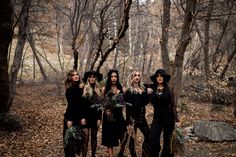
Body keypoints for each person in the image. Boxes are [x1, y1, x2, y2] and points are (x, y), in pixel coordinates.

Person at [149, 69, 179, 157]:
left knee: (168, 141)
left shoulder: (169, 90)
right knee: (152, 138)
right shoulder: (152, 89)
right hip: (157, 119)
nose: (159, 78)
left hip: (168, 118)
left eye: (161, 76)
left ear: (164, 77)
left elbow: (173, 105)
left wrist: (177, 119)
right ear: (155, 78)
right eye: (157, 76)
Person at [101, 69, 128, 157]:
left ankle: (121, 153)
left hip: (119, 116)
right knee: (109, 140)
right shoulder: (105, 89)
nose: (113, 78)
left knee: (124, 136)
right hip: (109, 117)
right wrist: (106, 110)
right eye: (112, 76)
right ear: (109, 78)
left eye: (115, 76)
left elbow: (125, 103)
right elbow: (102, 103)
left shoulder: (122, 89)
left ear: (117, 77)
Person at [125, 70, 151, 157]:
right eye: (135, 75)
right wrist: (128, 122)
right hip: (132, 119)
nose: (137, 77)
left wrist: (147, 91)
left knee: (148, 135)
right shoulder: (129, 90)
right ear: (132, 77)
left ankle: (144, 154)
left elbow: (145, 102)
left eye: (138, 75)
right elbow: (128, 107)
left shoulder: (143, 89)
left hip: (141, 118)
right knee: (132, 139)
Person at [63, 69, 85, 157]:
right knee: (69, 142)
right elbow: (72, 105)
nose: (76, 76)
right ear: (70, 77)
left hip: (78, 118)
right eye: (73, 75)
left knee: (76, 142)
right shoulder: (70, 89)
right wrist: (69, 119)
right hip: (70, 117)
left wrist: (82, 117)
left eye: (77, 74)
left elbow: (82, 104)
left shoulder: (80, 88)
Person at [81, 70, 103, 157]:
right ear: (88, 79)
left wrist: (99, 119)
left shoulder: (98, 91)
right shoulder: (84, 89)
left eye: (94, 77)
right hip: (85, 118)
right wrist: (82, 117)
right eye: (90, 77)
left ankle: (93, 155)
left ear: (96, 79)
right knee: (85, 139)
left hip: (95, 118)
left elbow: (99, 106)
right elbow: (81, 105)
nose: (92, 78)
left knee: (94, 138)